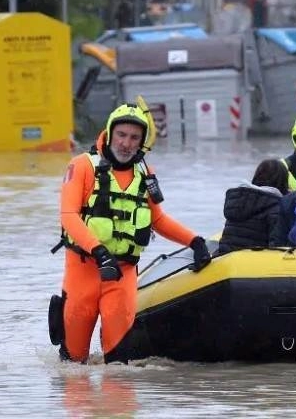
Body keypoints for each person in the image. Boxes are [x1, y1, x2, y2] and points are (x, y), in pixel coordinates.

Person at [51, 102, 212, 363]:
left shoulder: (145, 174)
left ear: (142, 142)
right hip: (83, 270)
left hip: (122, 274)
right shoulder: (81, 166)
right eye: (122, 135)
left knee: (118, 365)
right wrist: (99, 252)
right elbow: (68, 216)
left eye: (134, 138)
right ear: (110, 133)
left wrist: (194, 241)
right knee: (73, 362)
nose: (126, 143)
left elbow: (157, 219)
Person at [217, 159, 289, 254]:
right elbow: (276, 247)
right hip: (254, 260)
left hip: (226, 258)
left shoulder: (238, 201)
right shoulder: (277, 207)